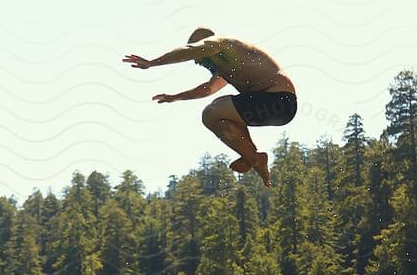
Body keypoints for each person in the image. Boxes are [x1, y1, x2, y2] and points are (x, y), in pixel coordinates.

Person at [123, 28, 297, 186]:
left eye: (198, 59)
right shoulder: (227, 65)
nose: (199, 63)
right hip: (280, 108)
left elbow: (189, 51)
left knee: (211, 113)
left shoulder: (222, 43)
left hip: (278, 98)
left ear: (203, 45)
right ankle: (257, 160)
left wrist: (152, 63)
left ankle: (254, 158)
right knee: (222, 116)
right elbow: (208, 89)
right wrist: (174, 98)